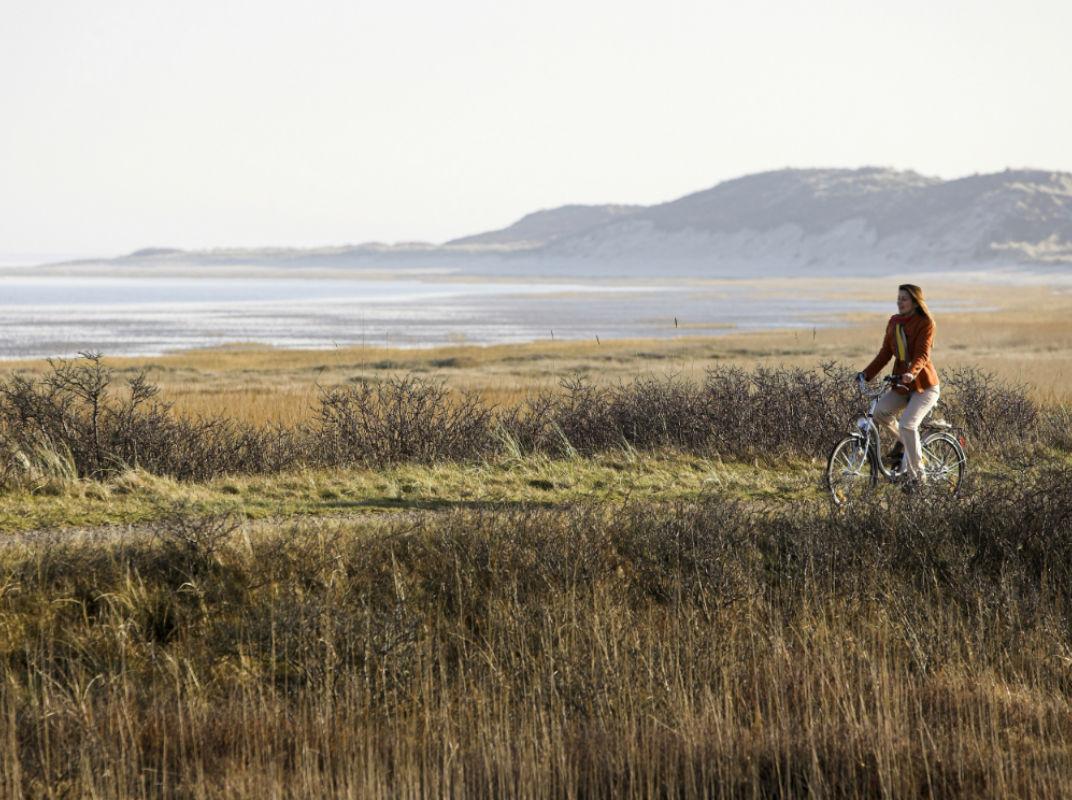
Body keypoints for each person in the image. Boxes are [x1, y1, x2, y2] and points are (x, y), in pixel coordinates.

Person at [856, 284, 940, 482]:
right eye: (898, 298)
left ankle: (918, 478)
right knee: (879, 412)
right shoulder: (894, 322)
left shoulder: (925, 322)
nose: (899, 302)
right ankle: (908, 444)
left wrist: (911, 373)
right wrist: (866, 374)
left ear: (915, 302)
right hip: (902, 385)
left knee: (908, 425)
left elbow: (923, 355)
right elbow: (885, 353)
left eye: (904, 299)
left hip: (925, 386)